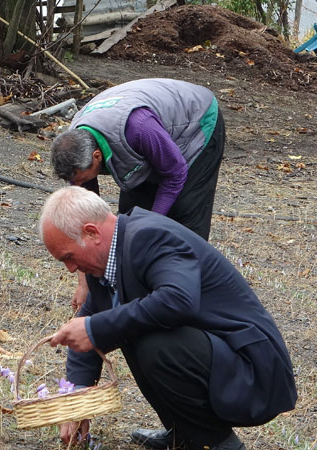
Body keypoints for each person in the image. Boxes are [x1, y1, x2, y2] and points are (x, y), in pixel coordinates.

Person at [38, 186, 297, 449]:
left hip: (252, 371)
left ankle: (216, 442)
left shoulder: (150, 236)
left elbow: (178, 300)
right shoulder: (106, 262)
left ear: (92, 232)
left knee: (155, 344)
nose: (71, 269)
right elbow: (89, 325)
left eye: (69, 257)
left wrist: (95, 329)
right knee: (130, 327)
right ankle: (184, 433)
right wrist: (76, 399)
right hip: (221, 359)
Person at [50, 78, 226, 309]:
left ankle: (186, 297)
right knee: (130, 218)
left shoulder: (138, 127)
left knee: (182, 218)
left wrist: (151, 226)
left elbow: (175, 172)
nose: (77, 184)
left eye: (81, 178)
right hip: (148, 134)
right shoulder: (76, 142)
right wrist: (84, 284)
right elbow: (88, 224)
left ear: (96, 157)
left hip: (197, 124)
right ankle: (134, 297)